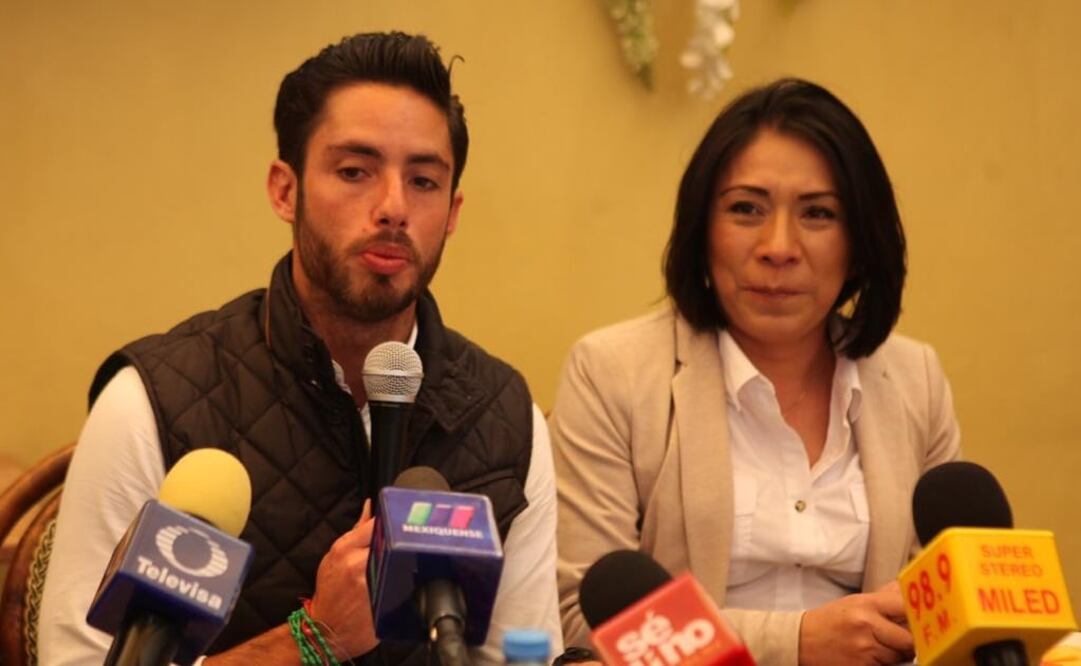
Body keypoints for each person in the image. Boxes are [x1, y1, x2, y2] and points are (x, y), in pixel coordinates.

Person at [39, 31, 561, 665]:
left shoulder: (506, 418)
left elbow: (517, 655)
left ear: (451, 212)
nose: (394, 207)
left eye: (423, 181)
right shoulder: (155, 400)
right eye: (354, 171)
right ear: (285, 190)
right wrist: (312, 639)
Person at [550, 78, 960, 666]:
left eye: (818, 214)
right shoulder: (613, 373)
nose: (778, 246)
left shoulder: (915, 377)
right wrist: (797, 643)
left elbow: (946, 595)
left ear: (860, 244)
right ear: (701, 231)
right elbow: (580, 615)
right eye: (746, 209)